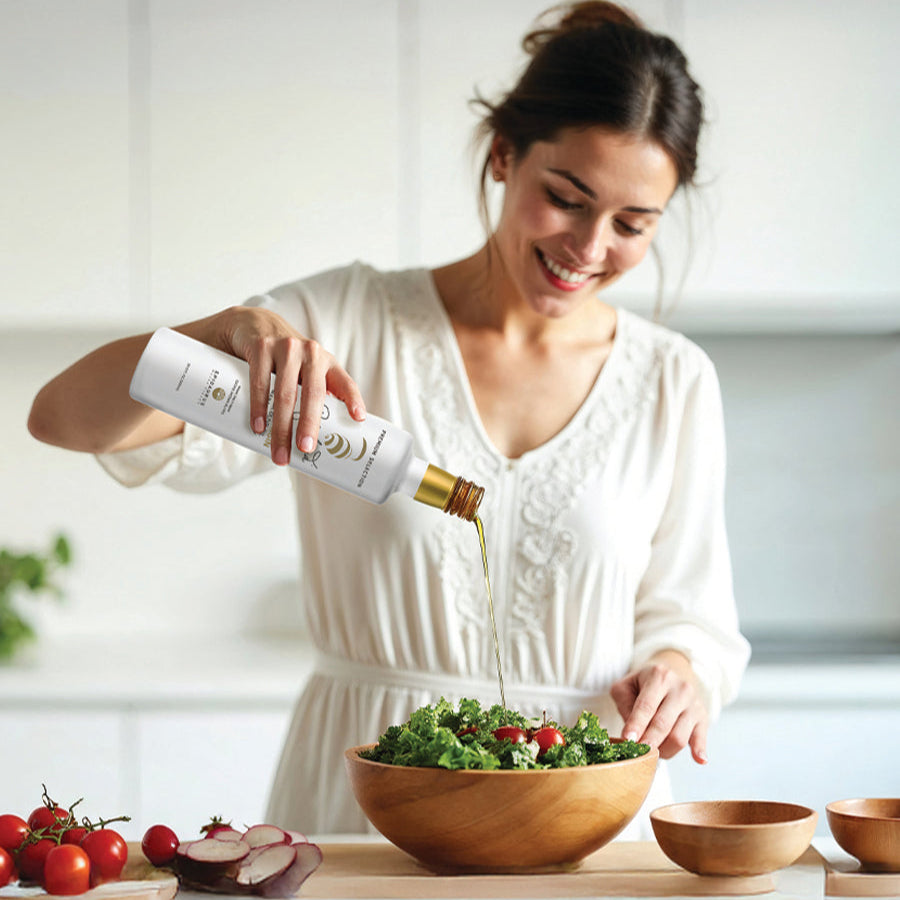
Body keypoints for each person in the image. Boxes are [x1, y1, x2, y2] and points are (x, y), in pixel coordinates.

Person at [28, 1, 750, 836]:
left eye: (633, 224)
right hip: (365, 814)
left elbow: (692, 616)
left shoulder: (675, 379)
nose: (590, 246)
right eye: (566, 198)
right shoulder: (344, 321)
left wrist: (678, 669)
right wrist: (223, 331)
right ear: (504, 155)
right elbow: (63, 418)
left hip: (584, 817)